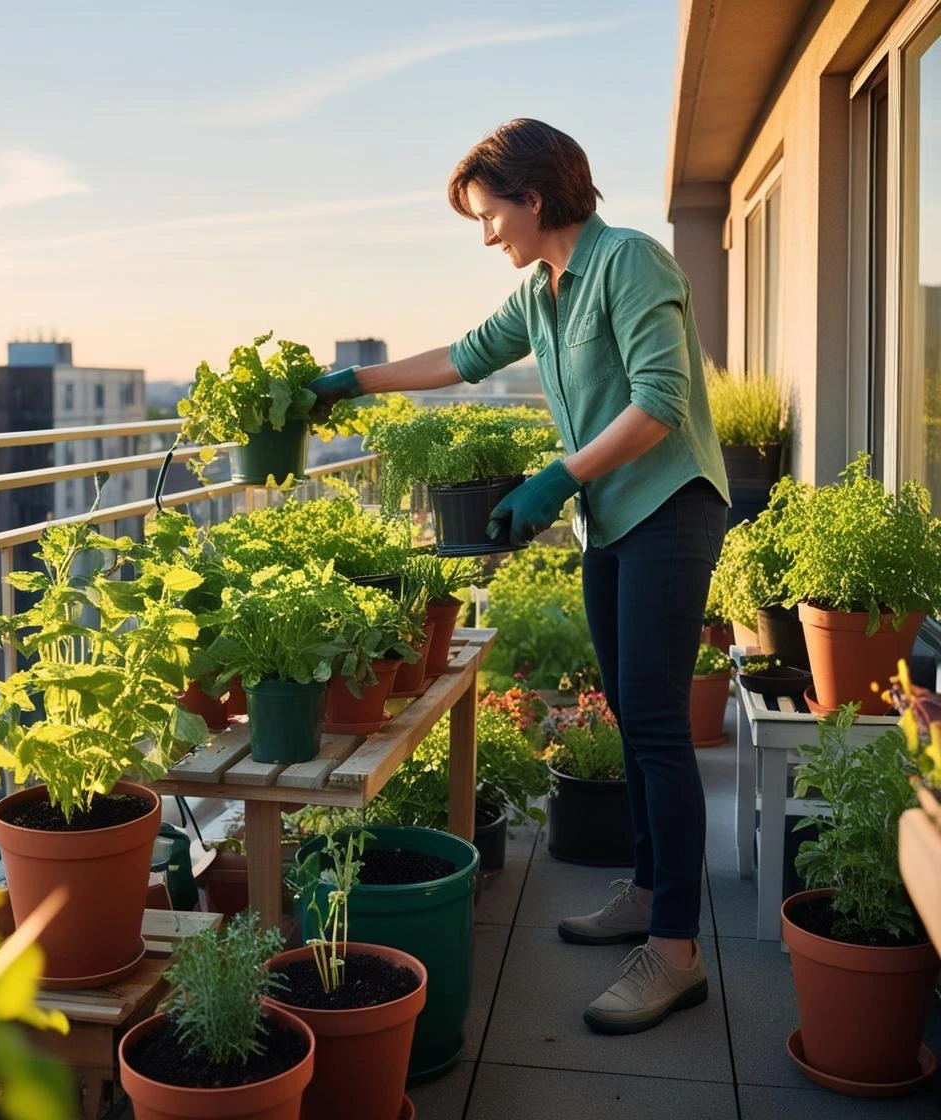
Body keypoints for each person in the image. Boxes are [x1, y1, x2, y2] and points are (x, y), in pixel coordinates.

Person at [308, 117, 729, 1035]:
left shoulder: (630, 263)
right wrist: (350, 384)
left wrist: (556, 476)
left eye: (489, 215)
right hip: (613, 518)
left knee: (658, 727)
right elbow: (459, 359)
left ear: (533, 198)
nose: (487, 233)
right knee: (631, 709)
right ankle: (650, 891)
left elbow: (661, 402)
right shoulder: (543, 293)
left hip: (670, 506)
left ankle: (677, 954)